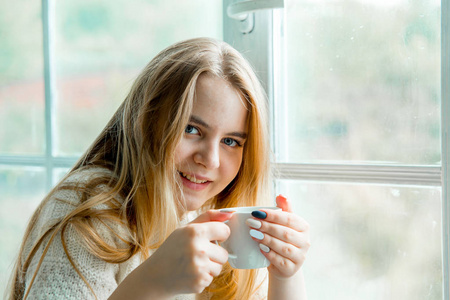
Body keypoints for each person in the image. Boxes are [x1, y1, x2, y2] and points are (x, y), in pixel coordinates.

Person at [8, 37, 310, 300]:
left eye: (231, 141)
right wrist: (152, 283)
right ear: (146, 121)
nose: (211, 160)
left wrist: (285, 274)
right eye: (191, 129)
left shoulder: (216, 221)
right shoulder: (85, 211)